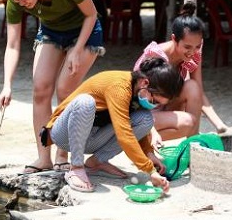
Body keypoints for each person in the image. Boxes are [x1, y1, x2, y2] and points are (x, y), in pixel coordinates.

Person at [0, 0, 105, 174]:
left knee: (65, 88)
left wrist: (77, 50)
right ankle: (43, 156)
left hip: (84, 31)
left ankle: (62, 154)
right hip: (51, 31)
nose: (20, 3)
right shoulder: (15, 0)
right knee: (40, 89)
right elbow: (12, 45)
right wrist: (7, 84)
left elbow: (91, 14)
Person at [41, 57, 184, 193]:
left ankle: (96, 162)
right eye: (154, 101)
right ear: (145, 83)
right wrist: (149, 170)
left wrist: (149, 154)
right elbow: (124, 134)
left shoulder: (139, 92)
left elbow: (138, 129)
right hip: (64, 135)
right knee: (85, 102)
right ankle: (76, 167)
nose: (154, 105)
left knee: (146, 118)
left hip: (92, 137)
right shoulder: (119, 86)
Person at [133, 2, 229, 147]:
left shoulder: (194, 52)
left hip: (164, 107)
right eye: (187, 47)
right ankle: (143, 145)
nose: (192, 52)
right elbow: (135, 101)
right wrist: (151, 130)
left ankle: (194, 148)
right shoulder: (154, 57)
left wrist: (220, 126)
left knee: (192, 86)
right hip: (140, 114)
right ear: (174, 39)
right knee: (187, 122)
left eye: (197, 46)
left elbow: (199, 93)